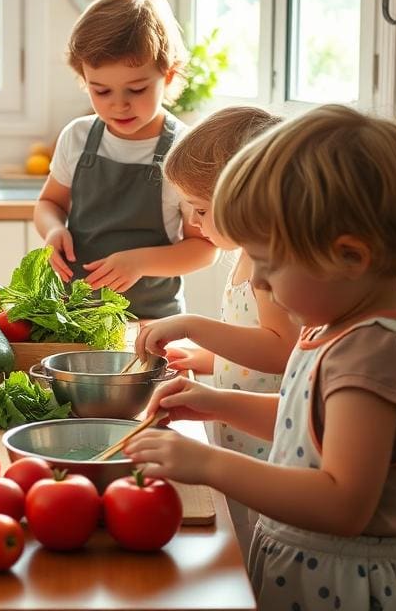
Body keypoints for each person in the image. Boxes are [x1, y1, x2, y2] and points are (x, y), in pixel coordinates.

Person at [125, 105, 396, 610]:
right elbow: (307, 423)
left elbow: (342, 503)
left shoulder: (372, 353)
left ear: (349, 256)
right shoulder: (338, 328)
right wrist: (216, 404)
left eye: (271, 263)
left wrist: (208, 462)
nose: (257, 282)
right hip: (310, 572)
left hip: (344, 590)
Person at [133, 106, 299, 555]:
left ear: (247, 200)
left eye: (201, 210)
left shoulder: (272, 262)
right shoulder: (247, 253)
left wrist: (193, 326)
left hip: (268, 444)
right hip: (239, 433)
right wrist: (204, 357)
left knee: (258, 546)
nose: (194, 224)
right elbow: (251, 339)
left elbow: (283, 351)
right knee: (243, 539)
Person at [34, 0, 217, 319]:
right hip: (75, 317)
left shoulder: (185, 151)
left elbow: (205, 248)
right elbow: (49, 204)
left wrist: (140, 262)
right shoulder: (77, 137)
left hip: (152, 322)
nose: (118, 104)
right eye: (101, 90)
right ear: (83, 78)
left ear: (169, 75)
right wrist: (53, 230)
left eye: (136, 89)